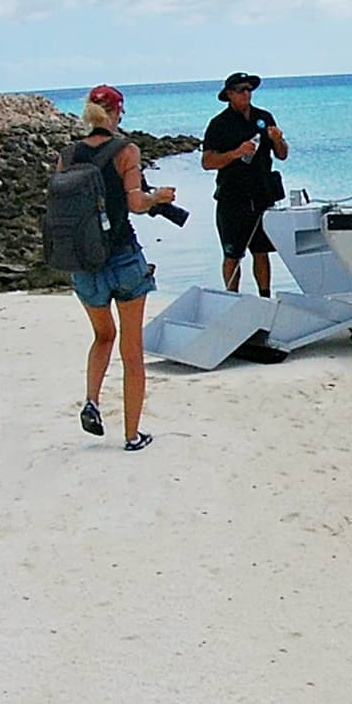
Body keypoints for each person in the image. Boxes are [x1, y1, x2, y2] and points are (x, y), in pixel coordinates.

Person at [64, 85, 177, 451]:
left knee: (102, 336)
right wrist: (157, 197)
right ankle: (132, 435)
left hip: (84, 261)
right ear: (117, 112)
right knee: (132, 350)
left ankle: (92, 401)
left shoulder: (68, 154)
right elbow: (135, 204)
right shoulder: (126, 150)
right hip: (123, 257)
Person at [201, 71, 288, 295]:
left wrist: (278, 140)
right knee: (232, 254)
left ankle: (265, 296)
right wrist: (236, 153)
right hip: (232, 196)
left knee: (261, 251)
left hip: (261, 194)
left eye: (249, 89)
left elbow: (282, 155)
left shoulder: (264, 117)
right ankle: (231, 297)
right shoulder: (219, 124)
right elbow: (208, 162)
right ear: (229, 94)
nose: (246, 94)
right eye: (241, 90)